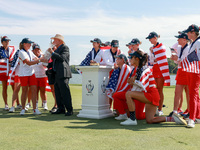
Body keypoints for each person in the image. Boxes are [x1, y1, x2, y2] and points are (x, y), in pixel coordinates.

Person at [120, 50, 186, 126]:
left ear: (137, 59)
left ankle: (132, 119)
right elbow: (133, 83)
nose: (130, 59)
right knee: (150, 120)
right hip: (151, 95)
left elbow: (140, 85)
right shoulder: (139, 69)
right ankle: (171, 118)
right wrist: (132, 81)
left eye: (132, 57)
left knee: (128, 94)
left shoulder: (143, 69)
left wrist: (133, 81)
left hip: (151, 95)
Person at [18, 38, 45, 115]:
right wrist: (40, 60)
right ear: (24, 44)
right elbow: (29, 63)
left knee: (34, 90)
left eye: (30, 43)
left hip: (31, 73)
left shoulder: (30, 51)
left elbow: (36, 58)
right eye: (29, 43)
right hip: (23, 74)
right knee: (25, 91)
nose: (30, 45)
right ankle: (23, 108)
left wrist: (44, 58)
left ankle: (34, 109)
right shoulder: (21, 52)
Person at [48, 34, 73, 116]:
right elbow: (55, 61)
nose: (53, 41)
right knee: (58, 92)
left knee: (65, 92)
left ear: (60, 41)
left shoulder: (65, 48)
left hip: (63, 73)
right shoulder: (57, 49)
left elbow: (62, 58)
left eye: (55, 39)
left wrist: (52, 53)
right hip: (57, 73)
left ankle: (69, 110)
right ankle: (61, 109)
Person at [180, 24, 200, 128]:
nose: (187, 34)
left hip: (196, 71)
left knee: (193, 94)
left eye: (188, 32)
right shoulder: (194, 42)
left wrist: (186, 62)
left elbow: (198, 59)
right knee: (194, 95)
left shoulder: (198, 42)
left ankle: (192, 119)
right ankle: (198, 116)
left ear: (193, 33)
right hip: (192, 71)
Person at [146, 32, 170, 116]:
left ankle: (160, 109)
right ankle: (155, 107)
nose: (149, 40)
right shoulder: (152, 48)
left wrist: (154, 51)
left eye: (150, 38)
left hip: (161, 69)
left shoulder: (161, 46)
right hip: (154, 69)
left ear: (155, 38)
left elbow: (161, 53)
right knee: (154, 89)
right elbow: (152, 60)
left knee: (159, 89)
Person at [168, 32, 190, 117]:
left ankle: (189, 111)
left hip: (187, 71)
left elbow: (185, 61)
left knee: (188, 92)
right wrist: (175, 58)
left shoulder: (188, 49)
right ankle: (175, 111)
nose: (177, 40)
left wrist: (177, 59)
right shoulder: (180, 48)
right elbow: (178, 61)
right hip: (181, 71)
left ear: (184, 40)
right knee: (177, 92)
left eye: (179, 38)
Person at [0, 36, 16, 110]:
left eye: (8, 41)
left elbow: (14, 59)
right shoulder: (0, 50)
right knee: (4, 87)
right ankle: (6, 104)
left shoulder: (12, 50)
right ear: (2, 42)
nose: (7, 42)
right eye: (5, 41)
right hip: (3, 71)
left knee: (14, 87)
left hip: (11, 71)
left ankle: (17, 103)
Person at [31, 43, 48, 110]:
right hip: (34, 77)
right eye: (35, 50)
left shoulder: (43, 56)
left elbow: (47, 64)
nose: (37, 51)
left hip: (43, 76)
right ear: (33, 51)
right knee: (35, 92)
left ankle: (45, 104)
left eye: (38, 49)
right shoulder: (31, 57)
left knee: (43, 91)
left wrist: (42, 59)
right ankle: (36, 105)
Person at [8, 43, 22, 112]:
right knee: (16, 90)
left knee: (26, 90)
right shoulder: (18, 53)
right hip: (18, 74)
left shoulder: (29, 53)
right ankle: (13, 106)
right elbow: (14, 62)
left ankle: (24, 105)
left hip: (26, 74)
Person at [46, 46, 57, 113]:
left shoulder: (56, 55)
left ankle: (56, 105)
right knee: (53, 90)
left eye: (54, 48)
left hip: (55, 73)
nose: (52, 49)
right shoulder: (50, 56)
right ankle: (56, 104)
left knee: (55, 90)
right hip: (50, 74)